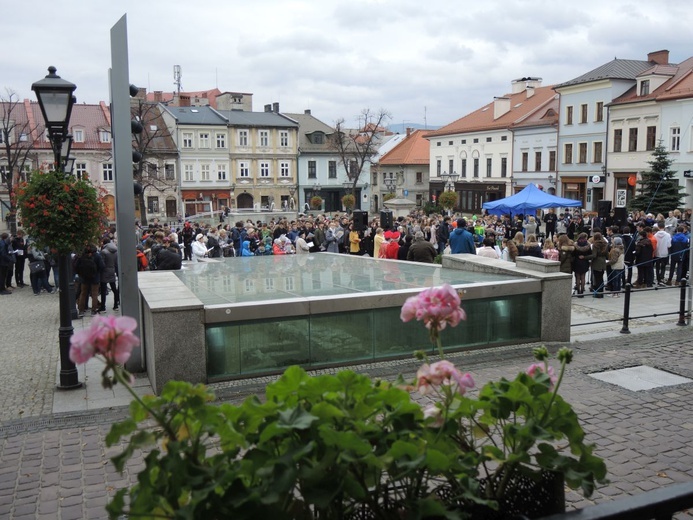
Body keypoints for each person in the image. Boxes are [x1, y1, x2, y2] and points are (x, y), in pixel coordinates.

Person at [75, 245, 104, 317]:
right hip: (95, 278)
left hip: (84, 278)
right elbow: (102, 266)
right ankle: (93, 311)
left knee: (83, 294)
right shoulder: (97, 256)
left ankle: (81, 310)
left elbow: (76, 266)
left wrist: (81, 274)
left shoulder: (82, 256)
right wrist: (97, 272)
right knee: (94, 294)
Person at [100, 238, 120, 311]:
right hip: (112, 270)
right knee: (114, 288)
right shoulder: (115, 251)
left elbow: (102, 264)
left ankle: (103, 307)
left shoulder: (103, 252)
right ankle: (116, 304)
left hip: (104, 272)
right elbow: (116, 263)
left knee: (103, 290)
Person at [572, 233, 592, 298]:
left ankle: (578, 291)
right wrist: (585, 256)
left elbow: (573, 254)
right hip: (584, 261)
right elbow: (590, 254)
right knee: (583, 277)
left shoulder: (576, 244)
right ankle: (582, 291)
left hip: (577, 261)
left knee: (577, 277)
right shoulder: (588, 245)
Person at [653, 221, 671, 286]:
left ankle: (658, 279)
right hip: (664, 253)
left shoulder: (655, 235)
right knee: (663, 266)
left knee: (657, 267)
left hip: (657, 253)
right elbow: (669, 245)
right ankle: (662, 277)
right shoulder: (668, 235)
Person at [590, 232, 608, 298]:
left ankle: (598, 293)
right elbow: (607, 254)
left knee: (597, 279)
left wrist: (586, 257)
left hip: (597, 262)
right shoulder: (605, 244)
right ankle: (601, 292)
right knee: (601, 278)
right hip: (603, 262)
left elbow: (594, 255)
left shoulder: (595, 245)